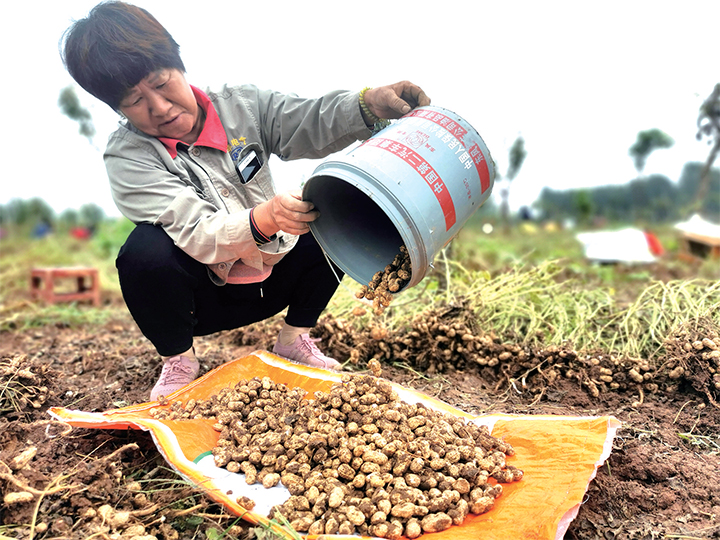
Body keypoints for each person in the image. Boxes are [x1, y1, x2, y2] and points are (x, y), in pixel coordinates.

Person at [61, 1, 431, 401]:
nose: (160, 107)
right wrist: (265, 218)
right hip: (204, 298)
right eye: (134, 101)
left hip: (272, 280)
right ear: (115, 107)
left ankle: (295, 338)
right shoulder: (129, 157)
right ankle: (180, 361)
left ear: (178, 64)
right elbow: (195, 229)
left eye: (161, 82)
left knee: (332, 206)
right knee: (143, 253)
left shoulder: (243, 106)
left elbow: (307, 120)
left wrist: (367, 105)